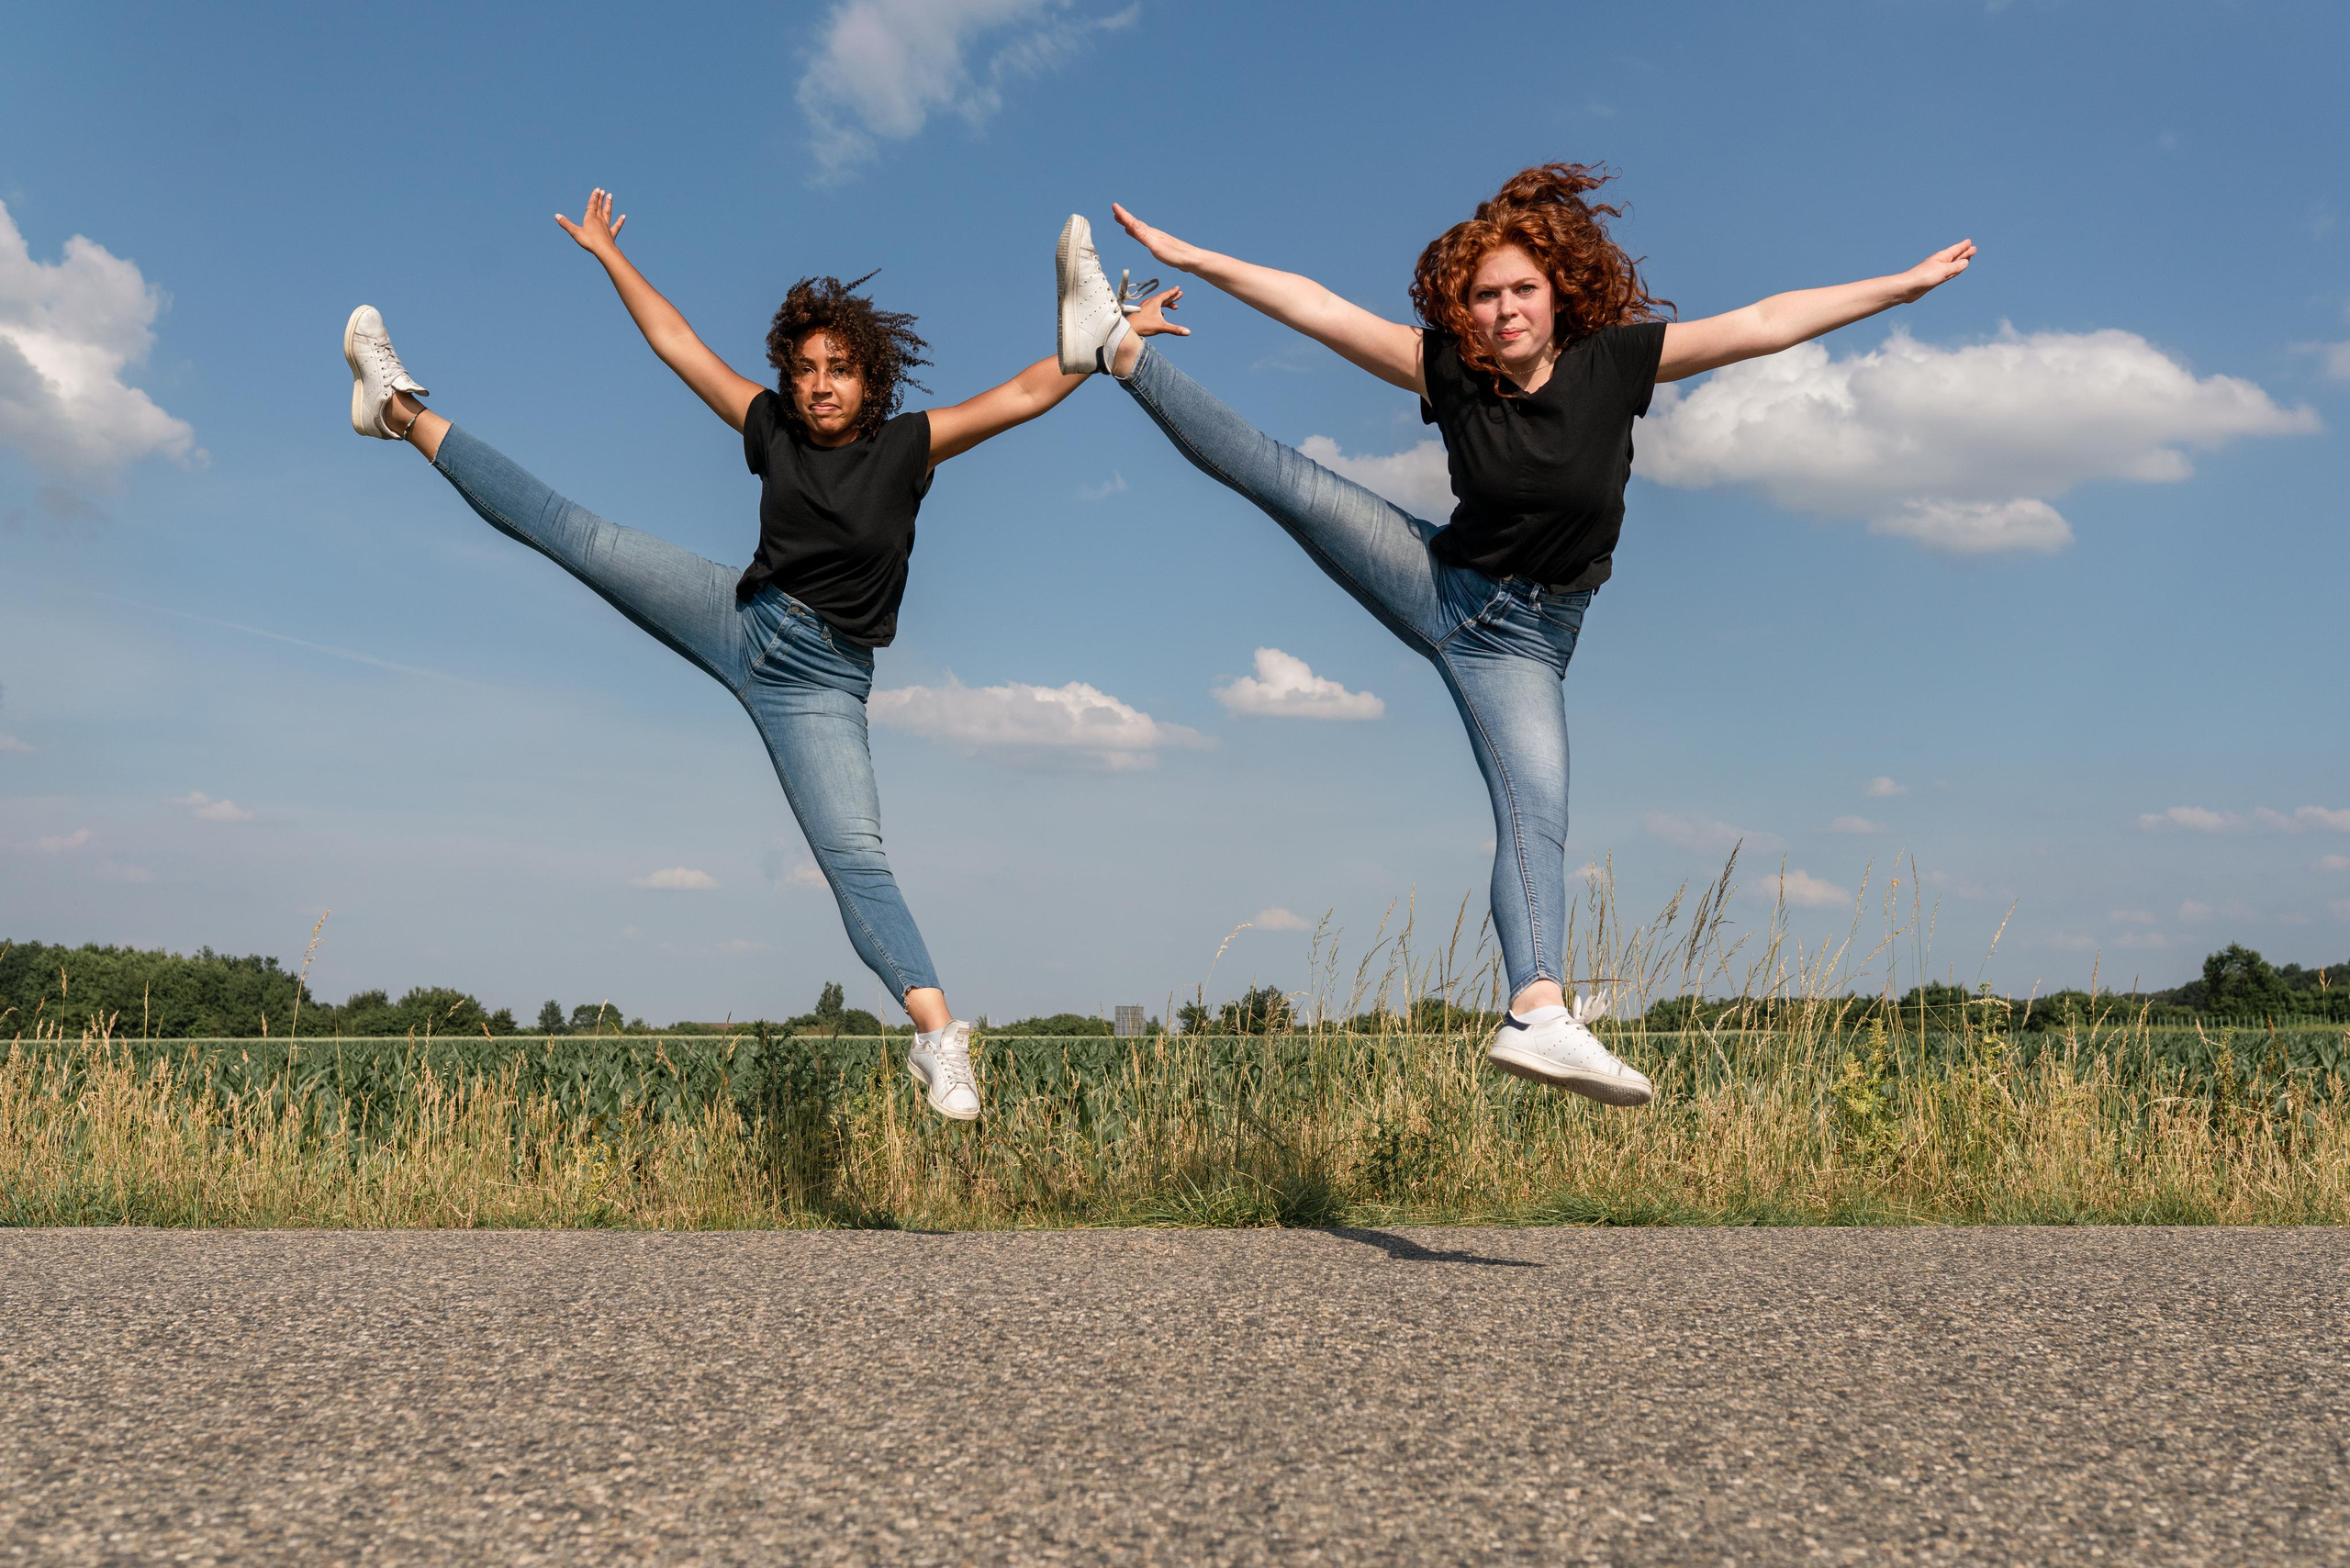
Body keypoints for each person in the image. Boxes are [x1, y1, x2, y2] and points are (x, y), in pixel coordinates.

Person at [1054, 164, 1974, 1105]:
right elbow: (1317, 307)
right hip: (1439, 580)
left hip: (1526, 645)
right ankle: (1116, 350)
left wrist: (1900, 286)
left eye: (1519, 290)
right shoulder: (1447, 369)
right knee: (1283, 480)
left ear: (1556, 289)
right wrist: (1190, 256)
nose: (1502, 311)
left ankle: (1537, 1011)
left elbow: (1765, 322)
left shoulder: (1614, 360)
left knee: (1535, 816)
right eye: (1484, 295)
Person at [341, 187, 1181, 1122]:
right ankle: (397, 407)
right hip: (739, 615)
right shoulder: (770, 427)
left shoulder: (909, 448)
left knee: (855, 857)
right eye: (807, 368)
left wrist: (1109, 345)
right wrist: (609, 256)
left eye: (840, 370)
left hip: (821, 686)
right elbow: (679, 346)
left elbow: (1025, 392)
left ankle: (938, 1036)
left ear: (872, 380)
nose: (820, 384)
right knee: (571, 532)